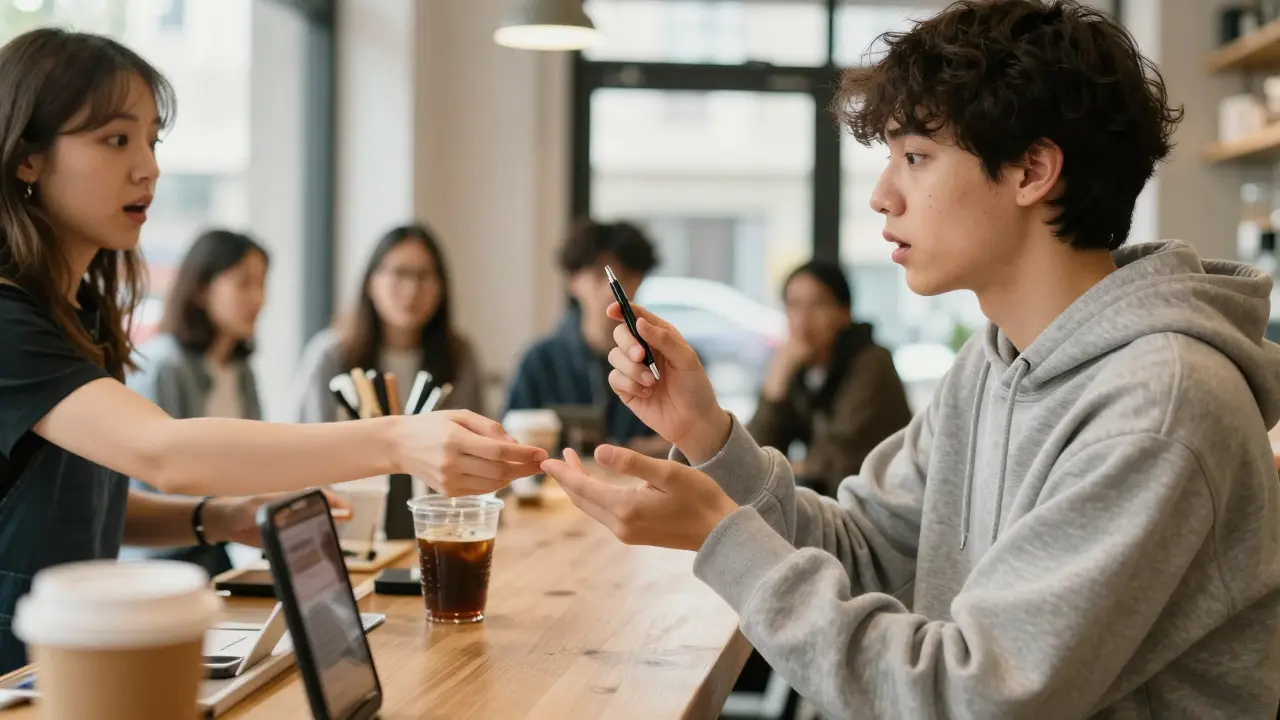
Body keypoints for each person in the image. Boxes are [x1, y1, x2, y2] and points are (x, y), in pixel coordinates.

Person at [539, 2, 1280, 717]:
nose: (883, 196)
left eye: (916, 158)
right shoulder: (992, 365)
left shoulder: (1159, 406)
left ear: (1032, 171)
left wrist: (721, 536)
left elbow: (972, 698)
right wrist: (709, 439)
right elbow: (863, 554)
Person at [0, 28, 545, 673]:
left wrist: (221, 516)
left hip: (71, 653)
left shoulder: (79, 317)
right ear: (26, 157)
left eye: (152, 139)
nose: (147, 166)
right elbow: (164, 451)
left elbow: (87, 506)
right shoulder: (9, 322)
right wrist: (398, 439)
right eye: (116, 139)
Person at [122, 229, 270, 575]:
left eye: (262, 284)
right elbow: (158, 480)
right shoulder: (164, 366)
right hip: (165, 555)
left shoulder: (241, 370)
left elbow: (255, 460)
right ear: (202, 288)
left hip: (212, 545)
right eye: (243, 283)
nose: (258, 298)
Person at [748, 260, 911, 495]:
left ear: (844, 313)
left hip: (882, 506)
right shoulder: (801, 367)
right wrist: (775, 386)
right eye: (794, 306)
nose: (803, 320)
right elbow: (757, 452)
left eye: (817, 305)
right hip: (832, 503)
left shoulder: (872, 363)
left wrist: (778, 471)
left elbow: (838, 457)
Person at [506, 219, 667, 455]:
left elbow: (691, 443)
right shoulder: (539, 362)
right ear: (573, 282)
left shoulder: (663, 359)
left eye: (628, 275)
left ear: (640, 279)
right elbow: (510, 437)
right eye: (596, 275)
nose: (611, 290)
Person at [295, 223, 484, 422]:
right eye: (400, 273)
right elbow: (308, 437)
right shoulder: (330, 356)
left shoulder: (458, 355)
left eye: (424, 275)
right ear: (370, 281)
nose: (412, 289)